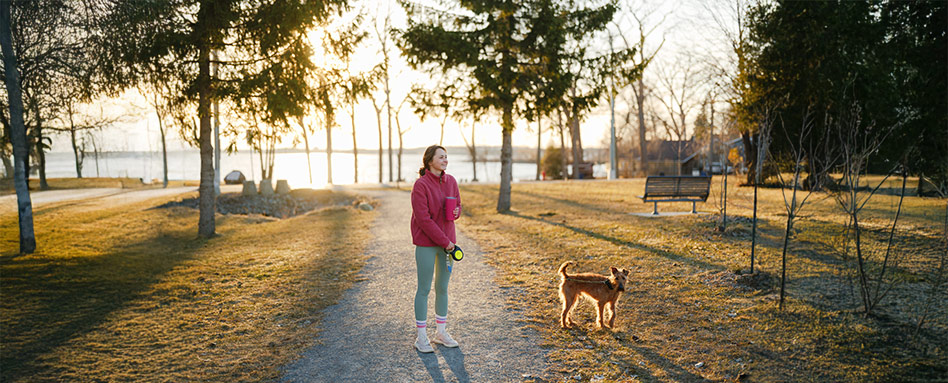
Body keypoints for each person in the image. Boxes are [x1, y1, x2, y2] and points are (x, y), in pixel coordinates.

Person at [410, 145, 461, 353]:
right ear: (430, 160)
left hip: (447, 244)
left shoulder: (452, 181)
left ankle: (441, 333)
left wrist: (456, 212)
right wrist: (445, 241)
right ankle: (421, 338)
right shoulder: (420, 186)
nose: (445, 160)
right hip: (427, 244)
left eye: (446, 157)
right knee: (424, 289)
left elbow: (457, 207)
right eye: (441, 157)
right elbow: (423, 220)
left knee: (443, 288)